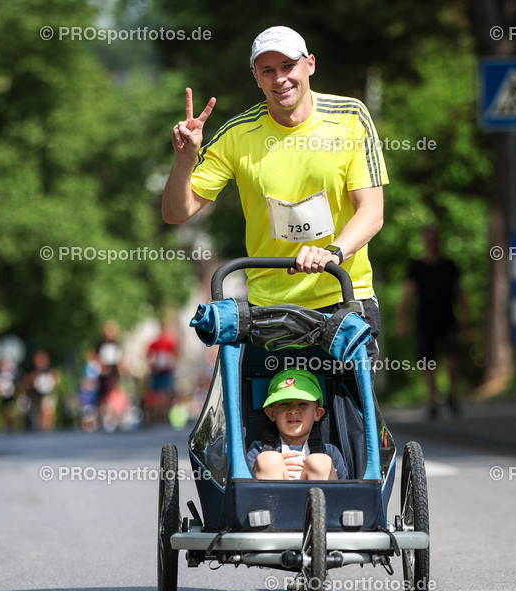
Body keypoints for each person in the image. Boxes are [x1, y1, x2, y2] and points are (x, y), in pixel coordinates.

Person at [161, 25, 388, 362]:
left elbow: (371, 211)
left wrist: (333, 253)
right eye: (268, 70)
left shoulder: (351, 118)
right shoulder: (237, 135)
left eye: (288, 66)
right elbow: (177, 213)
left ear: (309, 64)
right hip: (270, 311)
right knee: (267, 411)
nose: (279, 79)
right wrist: (185, 159)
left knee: (352, 414)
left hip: (343, 297)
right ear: (256, 77)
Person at [396, 226, 472, 419]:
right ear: (424, 241)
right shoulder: (416, 267)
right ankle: (432, 400)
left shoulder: (449, 266)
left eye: (435, 238)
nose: (432, 242)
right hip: (425, 321)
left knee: (454, 358)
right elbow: (407, 295)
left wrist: (467, 320)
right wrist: (402, 320)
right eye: (429, 238)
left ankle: (452, 396)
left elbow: (460, 293)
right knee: (428, 363)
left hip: (448, 320)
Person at [246, 369, 347, 480]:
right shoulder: (258, 450)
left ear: (318, 414)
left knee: (320, 462)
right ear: (271, 414)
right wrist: (273, 467)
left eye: (303, 404)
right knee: (268, 460)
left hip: (320, 495)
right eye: (284, 404)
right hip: (270, 495)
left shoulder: (329, 452)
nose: (293, 411)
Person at [146, 320, 178, 423]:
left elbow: (175, 353)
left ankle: (163, 414)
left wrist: (171, 363)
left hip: (165, 370)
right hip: (158, 370)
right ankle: (159, 414)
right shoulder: (156, 343)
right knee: (158, 394)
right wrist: (152, 364)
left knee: (164, 394)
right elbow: (148, 354)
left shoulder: (169, 342)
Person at [24, 350, 60, 432]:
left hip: (48, 396)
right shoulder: (33, 372)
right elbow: (27, 383)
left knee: (47, 410)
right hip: (35, 398)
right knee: (39, 418)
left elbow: (56, 380)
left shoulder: (50, 371)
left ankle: (49, 430)